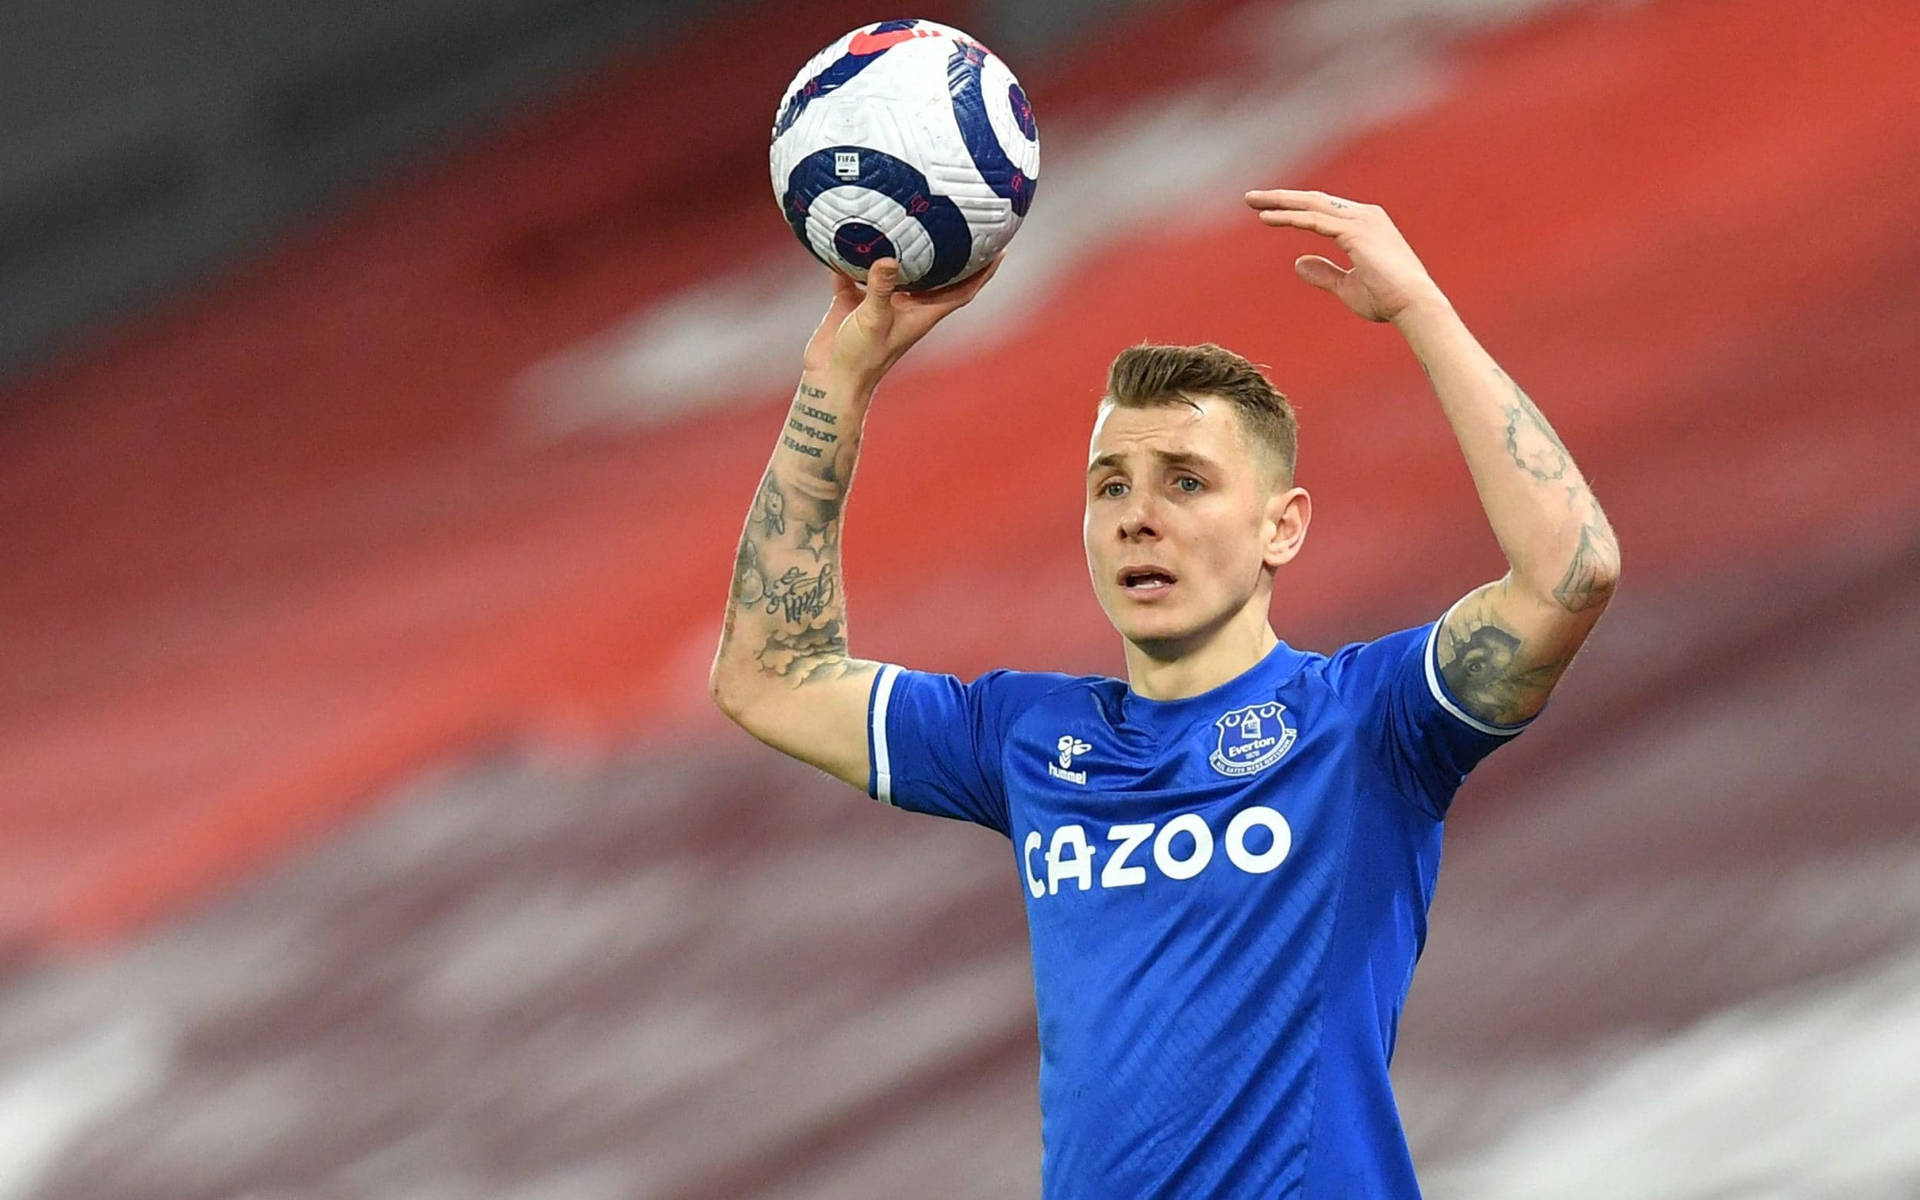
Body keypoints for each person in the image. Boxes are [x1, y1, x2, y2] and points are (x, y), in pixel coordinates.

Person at [709, 188, 1619, 1197]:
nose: (1139, 516)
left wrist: (1420, 309)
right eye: (1111, 486)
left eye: (1186, 481)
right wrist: (835, 386)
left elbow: (1569, 572)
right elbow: (770, 675)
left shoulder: (1369, 726)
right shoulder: (1027, 738)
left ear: (1283, 526)